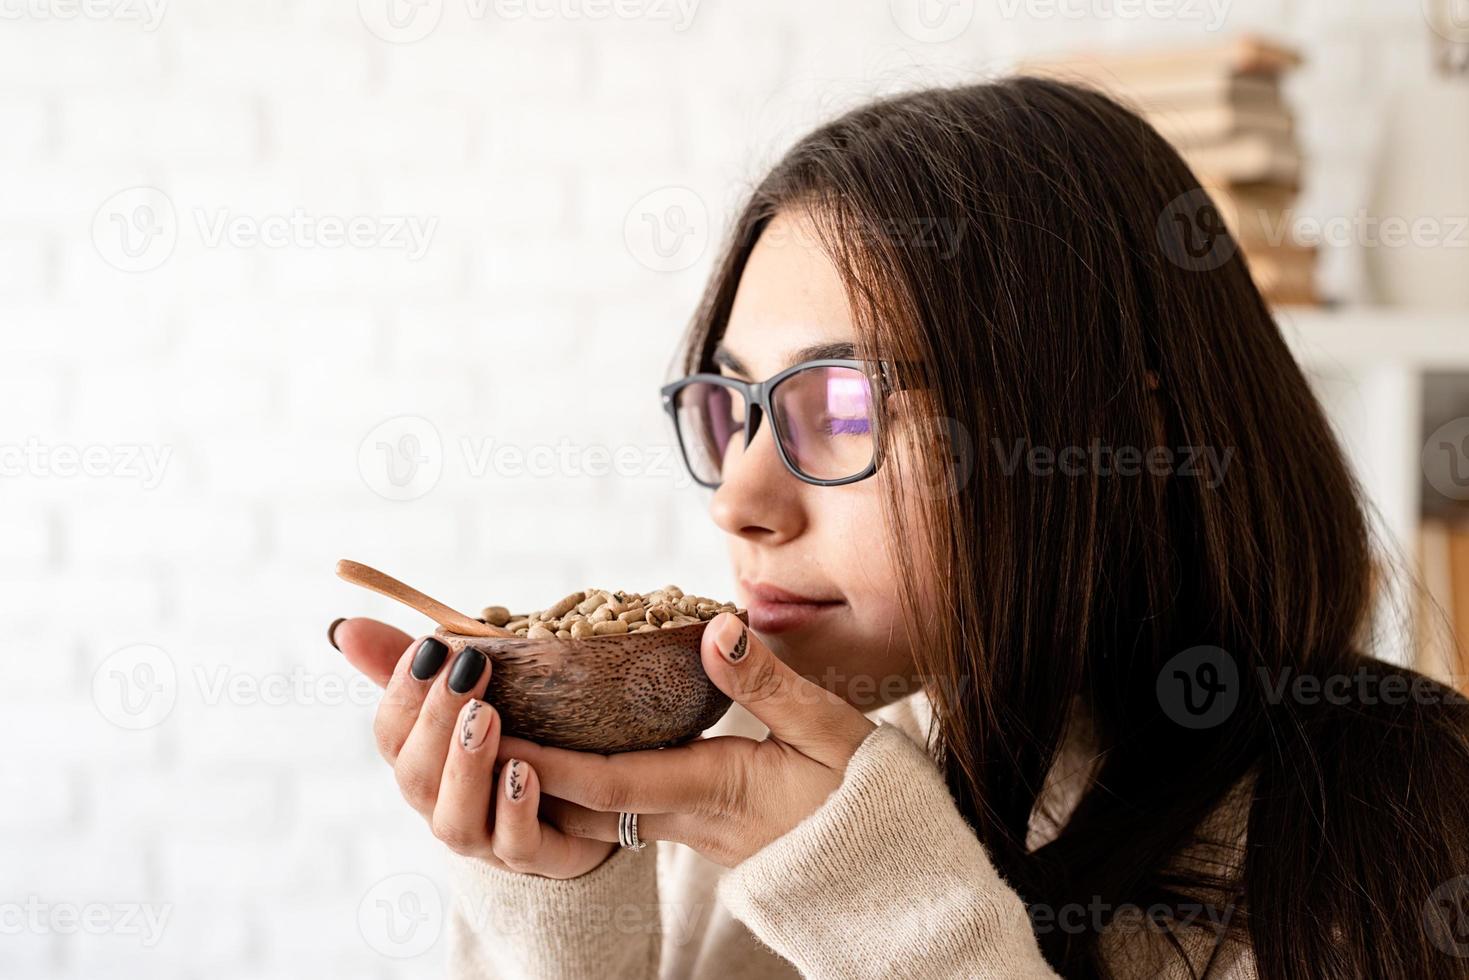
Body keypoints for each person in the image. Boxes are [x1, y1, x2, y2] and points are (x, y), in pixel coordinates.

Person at [331, 77, 1469, 978]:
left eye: (844, 404)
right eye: (731, 406)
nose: (737, 498)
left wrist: (876, 899)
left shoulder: (1401, 830)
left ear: (1122, 426)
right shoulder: (728, 801)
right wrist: (559, 900)